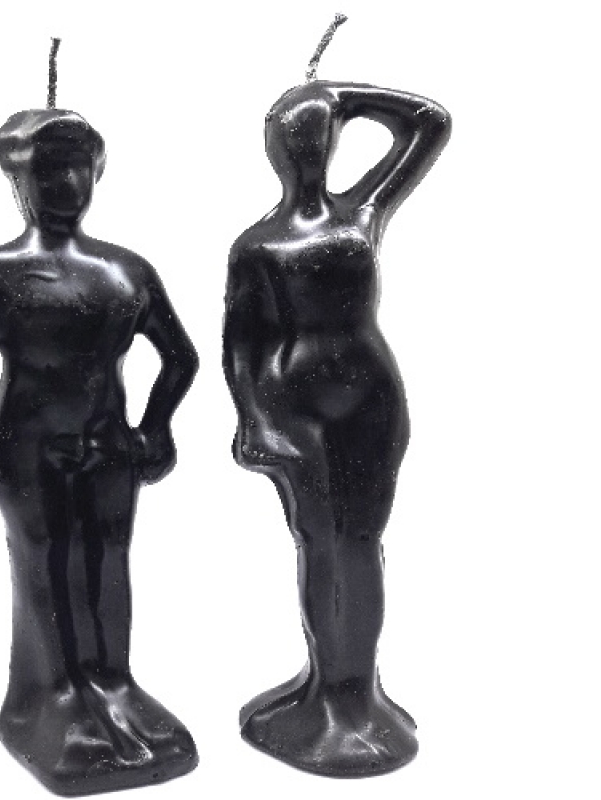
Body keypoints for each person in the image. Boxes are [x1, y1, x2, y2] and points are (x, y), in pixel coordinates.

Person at [0, 109, 199, 795]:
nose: (66, 183)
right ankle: (49, 697)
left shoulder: (126, 271)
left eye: (78, 167)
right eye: (47, 170)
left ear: (97, 174)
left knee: (108, 558)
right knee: (45, 561)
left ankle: (112, 683)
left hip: (109, 444)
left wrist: (156, 428)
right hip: (28, 449)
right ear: (17, 179)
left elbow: (180, 357)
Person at [224, 81, 451, 776]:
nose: (308, 151)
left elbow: (429, 123)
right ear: (272, 150)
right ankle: (328, 690)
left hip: (370, 398)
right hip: (298, 411)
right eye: (294, 139)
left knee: (360, 542)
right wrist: (255, 422)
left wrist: (335, 93)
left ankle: (356, 693)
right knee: (322, 543)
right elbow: (241, 347)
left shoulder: (365, 212)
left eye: (321, 136)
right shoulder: (258, 245)